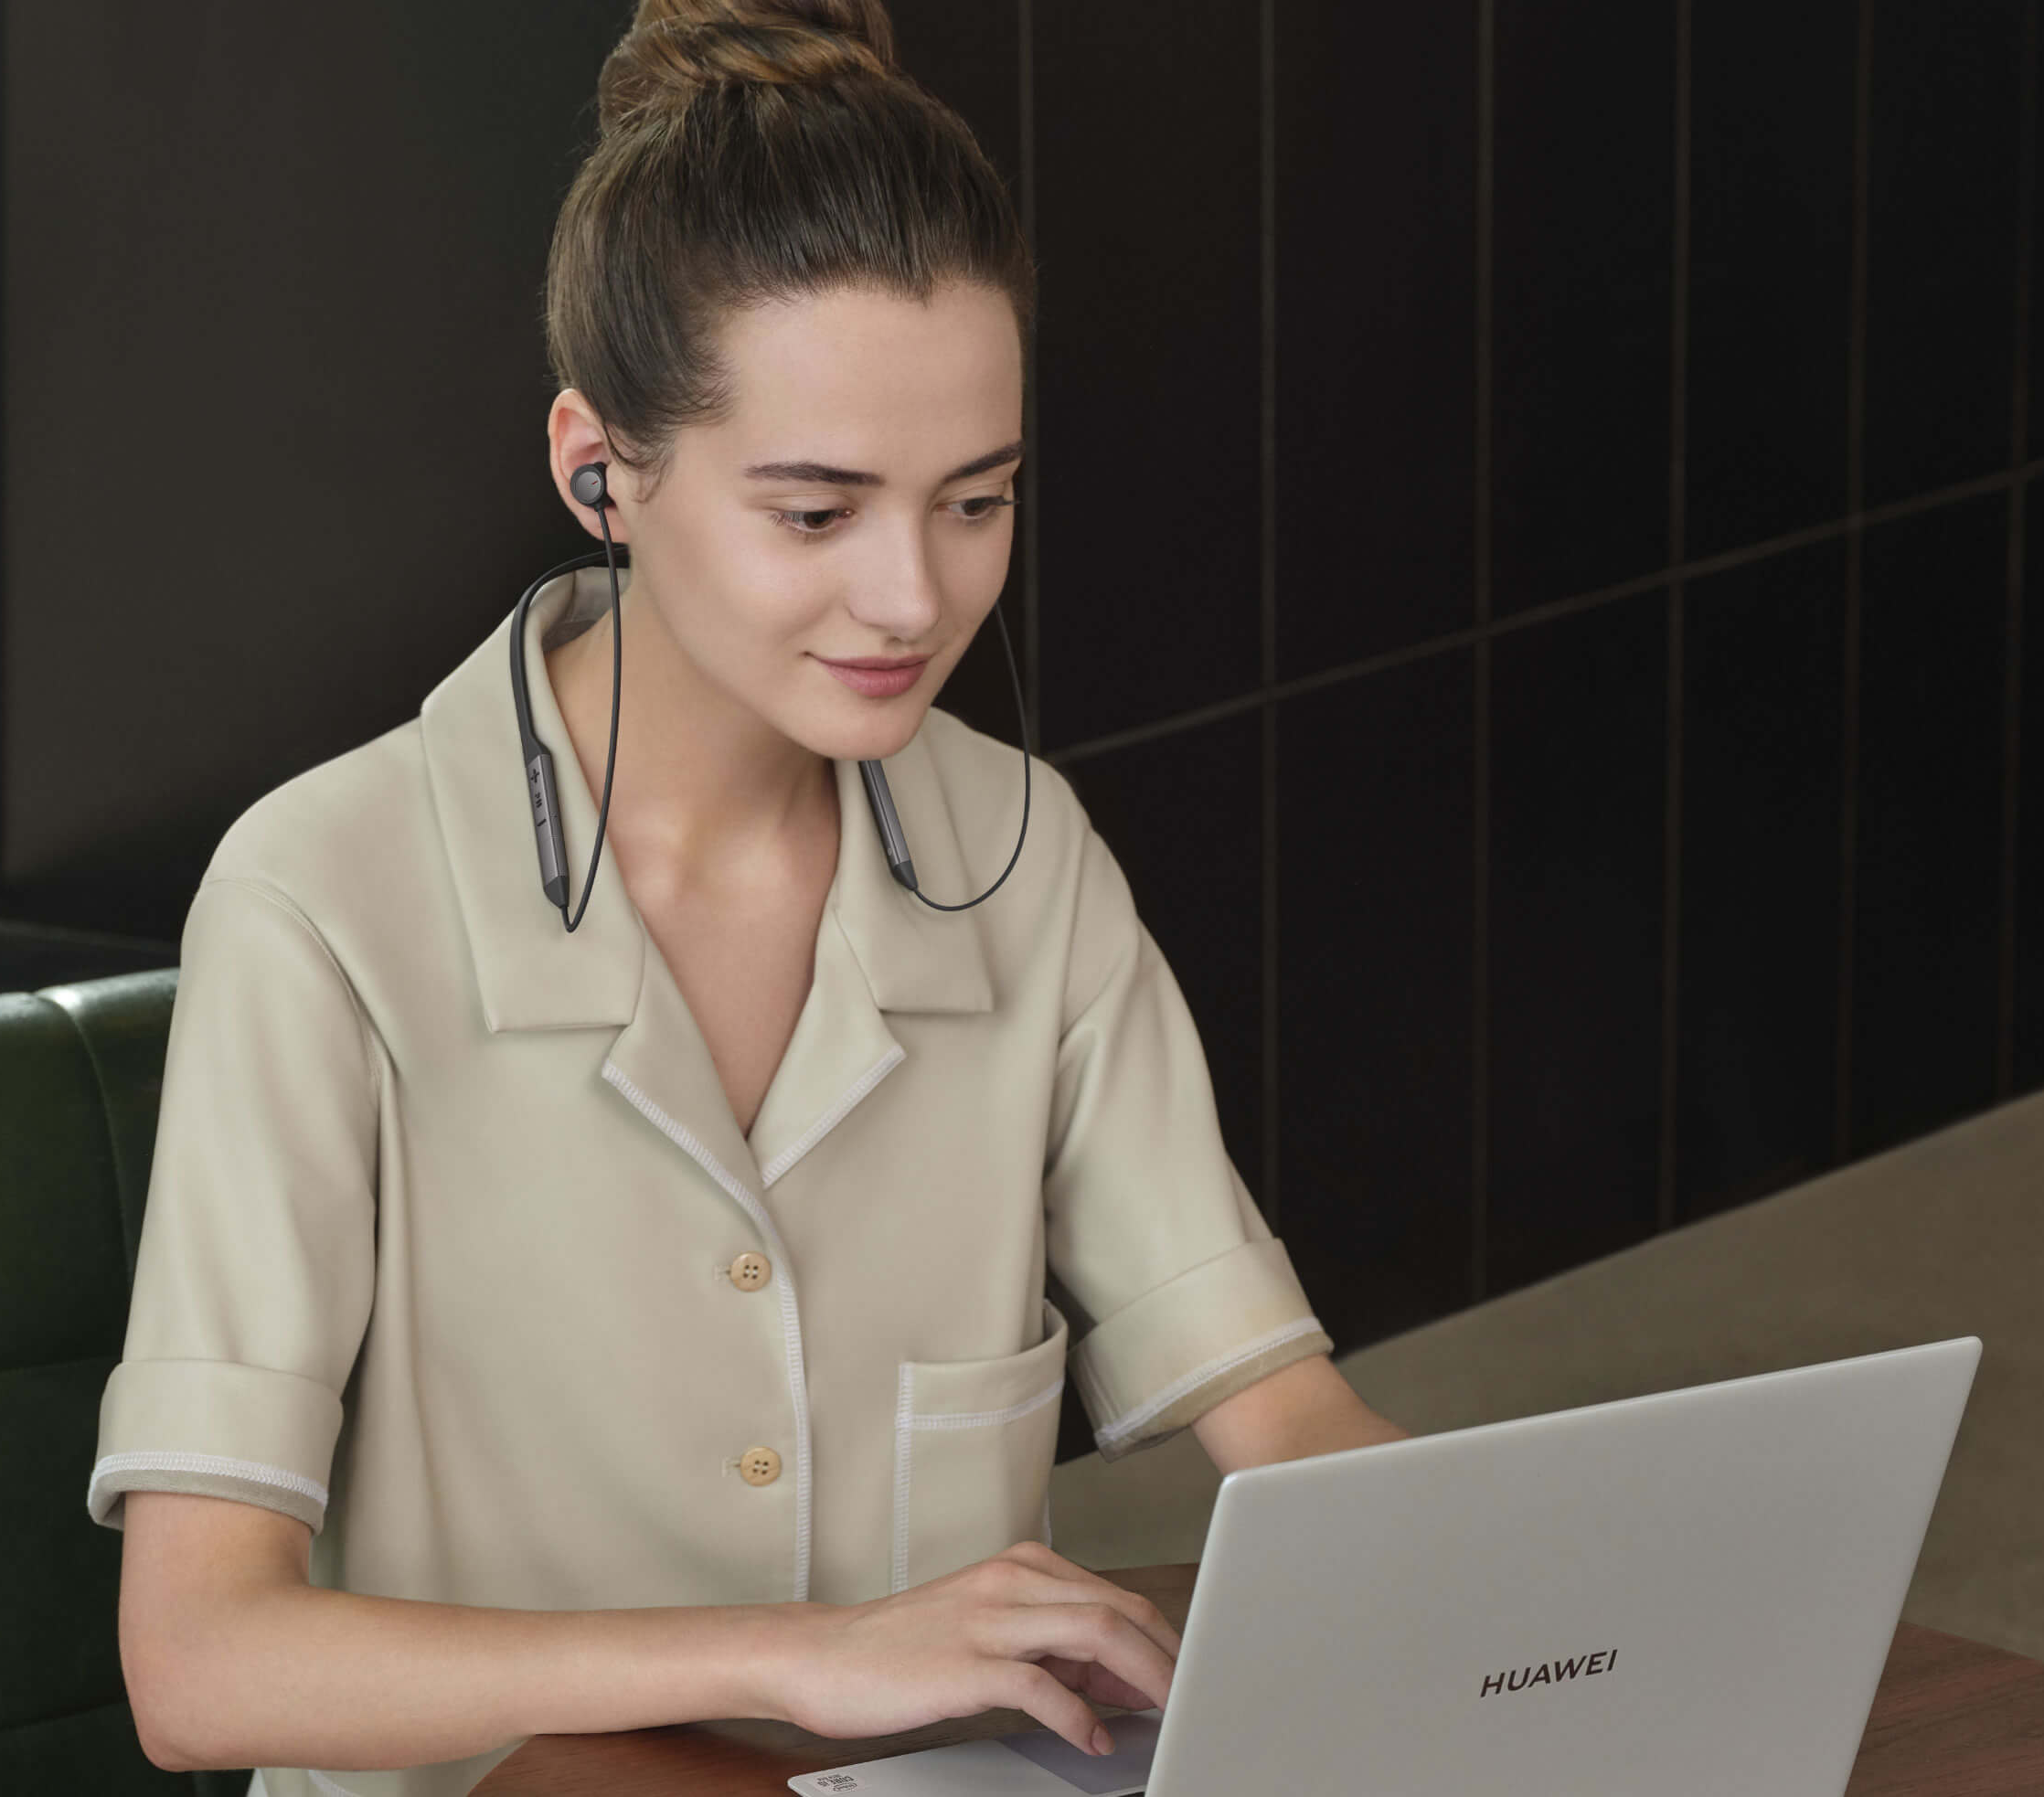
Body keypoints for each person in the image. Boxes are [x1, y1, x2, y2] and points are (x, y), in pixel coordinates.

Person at [90, 4, 1410, 1792]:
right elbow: (200, 1661)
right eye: (815, 513)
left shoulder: (1024, 851)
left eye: (976, 501)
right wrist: (802, 1654)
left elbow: (1282, 1409)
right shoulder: (320, 902)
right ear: (599, 469)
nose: (913, 598)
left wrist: (1538, 1617)